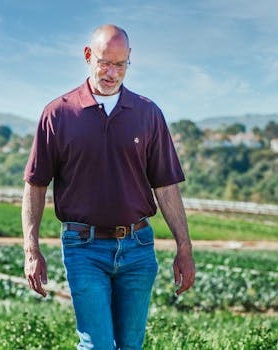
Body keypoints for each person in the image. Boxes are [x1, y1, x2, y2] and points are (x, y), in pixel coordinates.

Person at [22, 24, 195, 349]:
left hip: (138, 248)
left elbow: (167, 186)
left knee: (130, 345)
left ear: (129, 60)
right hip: (83, 248)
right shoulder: (58, 114)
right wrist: (31, 249)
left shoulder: (148, 114)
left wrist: (184, 248)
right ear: (88, 56)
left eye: (120, 64)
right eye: (104, 62)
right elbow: (35, 185)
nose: (112, 72)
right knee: (97, 344)